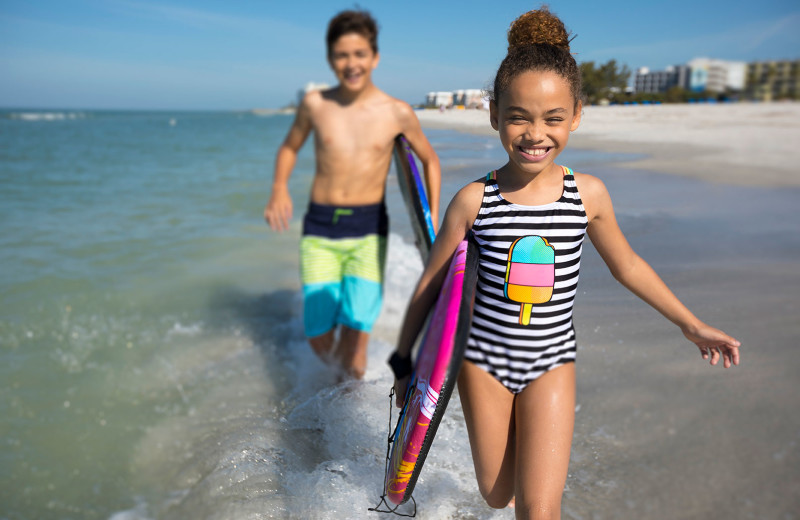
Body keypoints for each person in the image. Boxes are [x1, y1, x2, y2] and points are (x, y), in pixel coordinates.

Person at [388, 6, 740, 519]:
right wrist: (408, 363)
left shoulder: (587, 194)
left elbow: (629, 266)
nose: (536, 134)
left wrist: (691, 324)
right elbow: (431, 286)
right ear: (494, 115)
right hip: (482, 365)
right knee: (497, 495)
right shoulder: (473, 201)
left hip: (551, 360)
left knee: (538, 509)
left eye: (554, 118)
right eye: (518, 117)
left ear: (577, 114)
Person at [265, 10, 441, 380]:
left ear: (374, 57)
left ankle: (347, 405)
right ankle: (334, 378)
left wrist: (431, 218)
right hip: (320, 231)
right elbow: (289, 148)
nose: (351, 63)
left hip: (367, 232)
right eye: (342, 55)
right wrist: (279, 188)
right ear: (331, 59)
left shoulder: (397, 112)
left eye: (359, 54)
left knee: (358, 332)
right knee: (318, 335)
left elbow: (430, 160)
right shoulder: (315, 104)